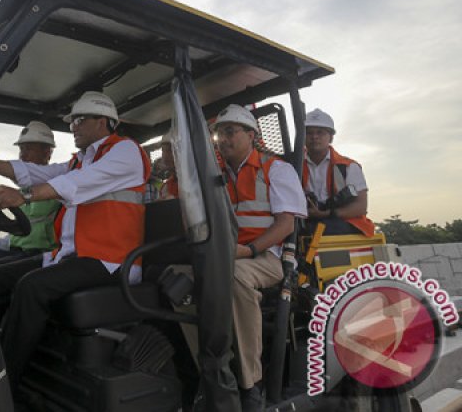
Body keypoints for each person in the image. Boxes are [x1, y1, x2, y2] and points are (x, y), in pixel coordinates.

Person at [0, 91, 151, 394]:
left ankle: (3, 385)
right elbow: (36, 173)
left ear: (104, 121)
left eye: (79, 120)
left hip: (111, 260)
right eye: (72, 121)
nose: (73, 127)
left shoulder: (125, 152)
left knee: (32, 286)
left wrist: (24, 196)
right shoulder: (79, 161)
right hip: (73, 255)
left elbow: (74, 184)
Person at [177, 104, 305, 412]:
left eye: (230, 131)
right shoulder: (217, 175)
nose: (223, 138)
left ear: (251, 135)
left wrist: (249, 251)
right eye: (220, 132)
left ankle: (251, 384)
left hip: (268, 258)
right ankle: (211, 371)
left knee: (234, 276)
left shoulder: (275, 169)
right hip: (226, 257)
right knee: (175, 280)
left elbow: (286, 224)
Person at [0, 121, 60, 264]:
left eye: (28, 149)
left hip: (41, 255)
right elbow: (15, 236)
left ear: (47, 152)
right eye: (21, 149)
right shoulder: (20, 193)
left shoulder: (57, 189)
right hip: (16, 252)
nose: (22, 156)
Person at [302, 108, 375, 236]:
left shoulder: (348, 167)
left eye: (320, 132)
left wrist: (325, 213)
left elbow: (361, 206)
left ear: (330, 138)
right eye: (309, 133)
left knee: (314, 230)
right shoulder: (293, 166)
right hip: (308, 220)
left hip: (344, 221)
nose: (314, 137)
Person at [158, 132, 178, 200]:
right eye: (163, 150)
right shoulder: (165, 187)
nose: (165, 155)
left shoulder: (197, 178)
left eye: (170, 150)